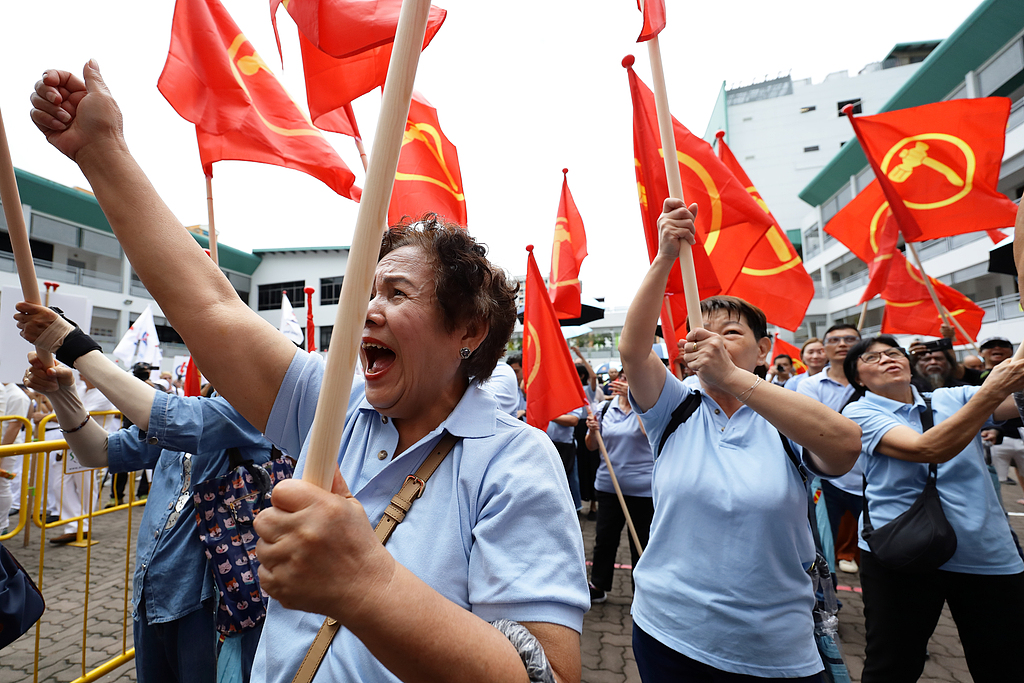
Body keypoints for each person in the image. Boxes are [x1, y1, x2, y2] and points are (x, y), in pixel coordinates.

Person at [29, 62, 587, 683]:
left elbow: (550, 674)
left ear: (469, 330)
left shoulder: (516, 463)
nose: (369, 310)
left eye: (398, 294)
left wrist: (367, 584)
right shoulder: (334, 403)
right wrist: (102, 151)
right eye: (368, 291)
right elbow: (214, 307)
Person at [620, 197, 861, 681]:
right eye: (701, 333)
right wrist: (666, 256)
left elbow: (844, 446)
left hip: (775, 644)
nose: (714, 342)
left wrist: (733, 379)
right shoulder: (675, 403)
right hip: (668, 631)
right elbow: (632, 348)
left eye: (731, 332)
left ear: (764, 347)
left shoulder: (785, 412)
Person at [17, 307, 279, 683]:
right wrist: (64, 395)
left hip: (213, 604)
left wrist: (70, 343)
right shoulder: (198, 407)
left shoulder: (257, 412)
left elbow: (166, 416)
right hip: (153, 595)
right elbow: (99, 451)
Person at [840, 335, 1024, 682]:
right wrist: (988, 391)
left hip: (984, 551)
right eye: (871, 358)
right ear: (858, 378)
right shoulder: (859, 411)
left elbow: (1015, 386)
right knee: (893, 663)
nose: (886, 359)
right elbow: (928, 448)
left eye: (893, 353)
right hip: (899, 551)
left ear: (909, 365)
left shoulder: (952, 397)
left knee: (1005, 662)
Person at [798, 324, 864, 574]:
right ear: (824, 347)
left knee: (875, 544)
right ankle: (827, 599)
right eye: (834, 339)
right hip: (826, 480)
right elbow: (814, 430)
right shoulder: (810, 385)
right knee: (822, 542)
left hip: (869, 477)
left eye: (850, 339)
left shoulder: (873, 382)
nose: (842, 344)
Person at [583, 369, 653, 604]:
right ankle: (599, 585)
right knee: (605, 538)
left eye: (628, 378)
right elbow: (592, 446)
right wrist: (593, 430)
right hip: (608, 485)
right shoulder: (604, 408)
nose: (622, 382)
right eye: (621, 378)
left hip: (643, 489)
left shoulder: (647, 408)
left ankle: (642, 590)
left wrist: (636, 400)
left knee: (641, 541)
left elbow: (649, 434)